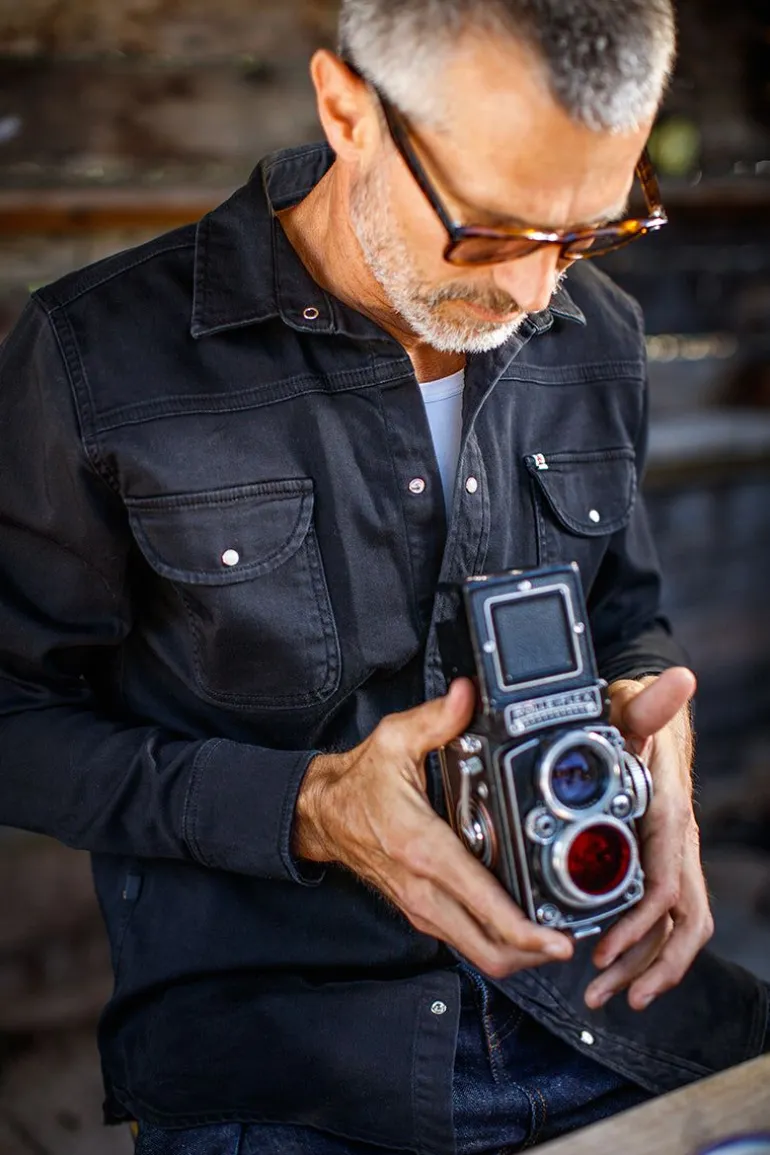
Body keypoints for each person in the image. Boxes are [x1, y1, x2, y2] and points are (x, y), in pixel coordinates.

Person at [0, 1, 767, 1152]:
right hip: (290, 1069)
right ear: (346, 108)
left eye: (589, 230)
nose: (530, 295)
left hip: (613, 1012)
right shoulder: (96, 356)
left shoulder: (592, 328)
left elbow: (623, 613)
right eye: (489, 232)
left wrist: (657, 742)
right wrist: (308, 810)